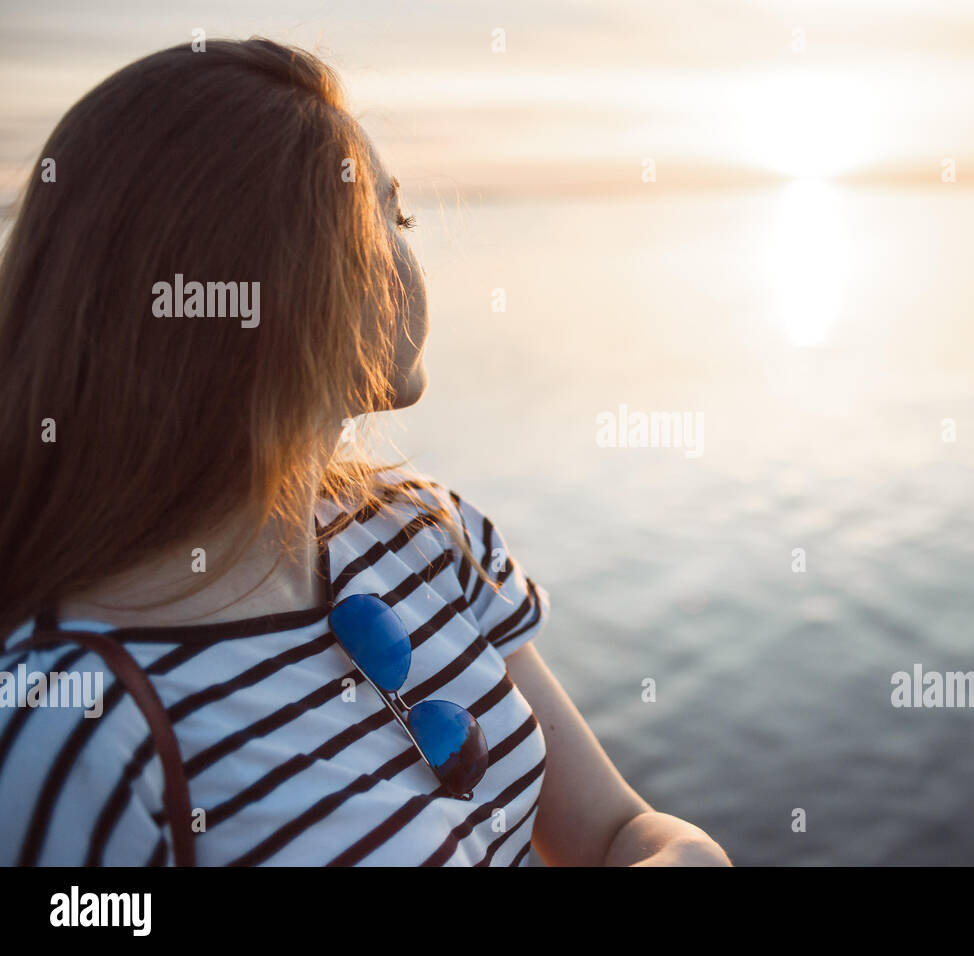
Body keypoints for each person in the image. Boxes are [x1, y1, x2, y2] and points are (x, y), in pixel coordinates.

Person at [0, 38, 730, 867]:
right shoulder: (67, 728)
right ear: (286, 288)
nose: (411, 259)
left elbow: (617, 833)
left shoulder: (421, 531)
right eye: (391, 220)